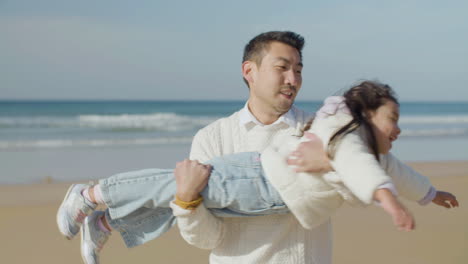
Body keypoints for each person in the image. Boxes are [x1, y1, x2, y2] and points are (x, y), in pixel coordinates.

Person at [57, 80, 459, 264]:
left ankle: (106, 222)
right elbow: (370, 177)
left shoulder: (368, 151)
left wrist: (428, 194)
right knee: (172, 186)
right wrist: (392, 206)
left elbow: (397, 173)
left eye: (299, 70)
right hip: (256, 180)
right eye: (392, 118)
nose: (399, 129)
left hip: (265, 201)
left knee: (171, 195)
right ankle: (91, 196)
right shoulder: (347, 139)